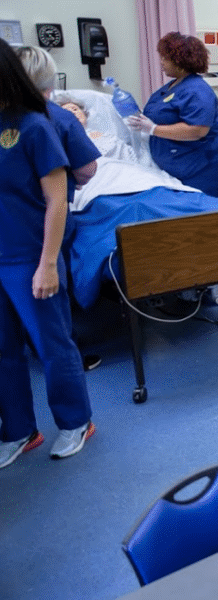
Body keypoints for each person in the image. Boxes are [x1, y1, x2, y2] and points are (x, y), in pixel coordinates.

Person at [0, 38, 95, 469]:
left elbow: (58, 200)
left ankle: (77, 421)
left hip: (28, 256)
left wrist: (47, 264)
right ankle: (20, 430)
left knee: (51, 344)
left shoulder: (35, 126)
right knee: (3, 349)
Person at [126, 32, 218, 198]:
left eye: (165, 58)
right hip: (180, 159)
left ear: (180, 61)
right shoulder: (173, 86)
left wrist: (153, 129)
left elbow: (197, 130)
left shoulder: (198, 90)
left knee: (195, 208)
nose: (161, 62)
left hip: (203, 160)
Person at [17, 47, 99, 204]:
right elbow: (86, 170)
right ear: (50, 80)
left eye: (76, 109)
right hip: (43, 212)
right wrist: (69, 180)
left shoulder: (7, 114)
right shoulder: (60, 119)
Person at [54, 96, 136, 163]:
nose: (74, 112)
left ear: (84, 113)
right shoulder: (64, 143)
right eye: (67, 112)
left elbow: (129, 155)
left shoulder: (108, 136)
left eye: (75, 109)